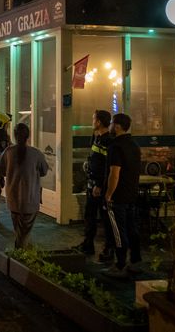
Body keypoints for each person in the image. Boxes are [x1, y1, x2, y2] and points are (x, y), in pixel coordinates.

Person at [103, 113, 143, 278]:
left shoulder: (116, 146)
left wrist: (108, 194)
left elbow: (115, 173)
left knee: (118, 231)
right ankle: (135, 261)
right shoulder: (134, 145)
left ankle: (120, 264)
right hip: (131, 194)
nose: (110, 126)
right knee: (132, 228)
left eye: (112, 123)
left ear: (118, 126)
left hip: (118, 196)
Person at [0, 123, 49, 249]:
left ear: (15, 136)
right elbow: (44, 171)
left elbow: (1, 170)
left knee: (19, 230)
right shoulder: (36, 154)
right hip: (30, 199)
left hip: (13, 199)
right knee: (24, 232)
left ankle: (19, 255)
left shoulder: (8, 152)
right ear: (28, 136)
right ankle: (20, 256)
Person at [74, 110, 115, 261]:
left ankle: (109, 249)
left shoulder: (107, 141)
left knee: (105, 218)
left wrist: (99, 184)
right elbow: (96, 160)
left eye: (93, 118)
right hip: (92, 184)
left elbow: (106, 165)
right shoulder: (96, 138)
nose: (92, 121)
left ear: (99, 122)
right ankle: (88, 243)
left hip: (100, 186)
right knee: (89, 215)